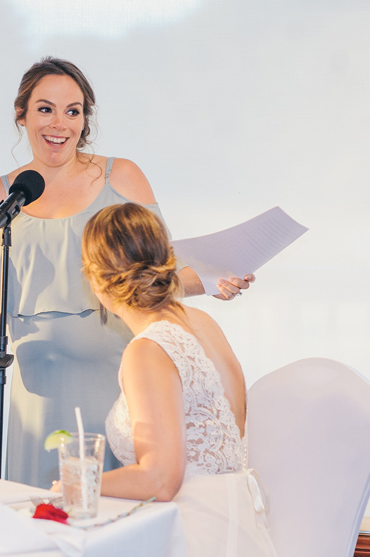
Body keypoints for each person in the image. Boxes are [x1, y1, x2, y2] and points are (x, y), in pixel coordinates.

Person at [0, 57, 253, 487]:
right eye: (46, 108)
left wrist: (213, 277)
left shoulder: (121, 176)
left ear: (85, 119)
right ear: (22, 115)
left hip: (116, 375)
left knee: (117, 495)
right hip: (38, 392)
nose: (60, 123)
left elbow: (156, 268)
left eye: (74, 111)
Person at [72, 202, 276, 556]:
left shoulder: (148, 350)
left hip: (194, 535)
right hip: (237, 527)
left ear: (95, 278)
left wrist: (76, 484)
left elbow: (161, 479)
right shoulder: (202, 323)